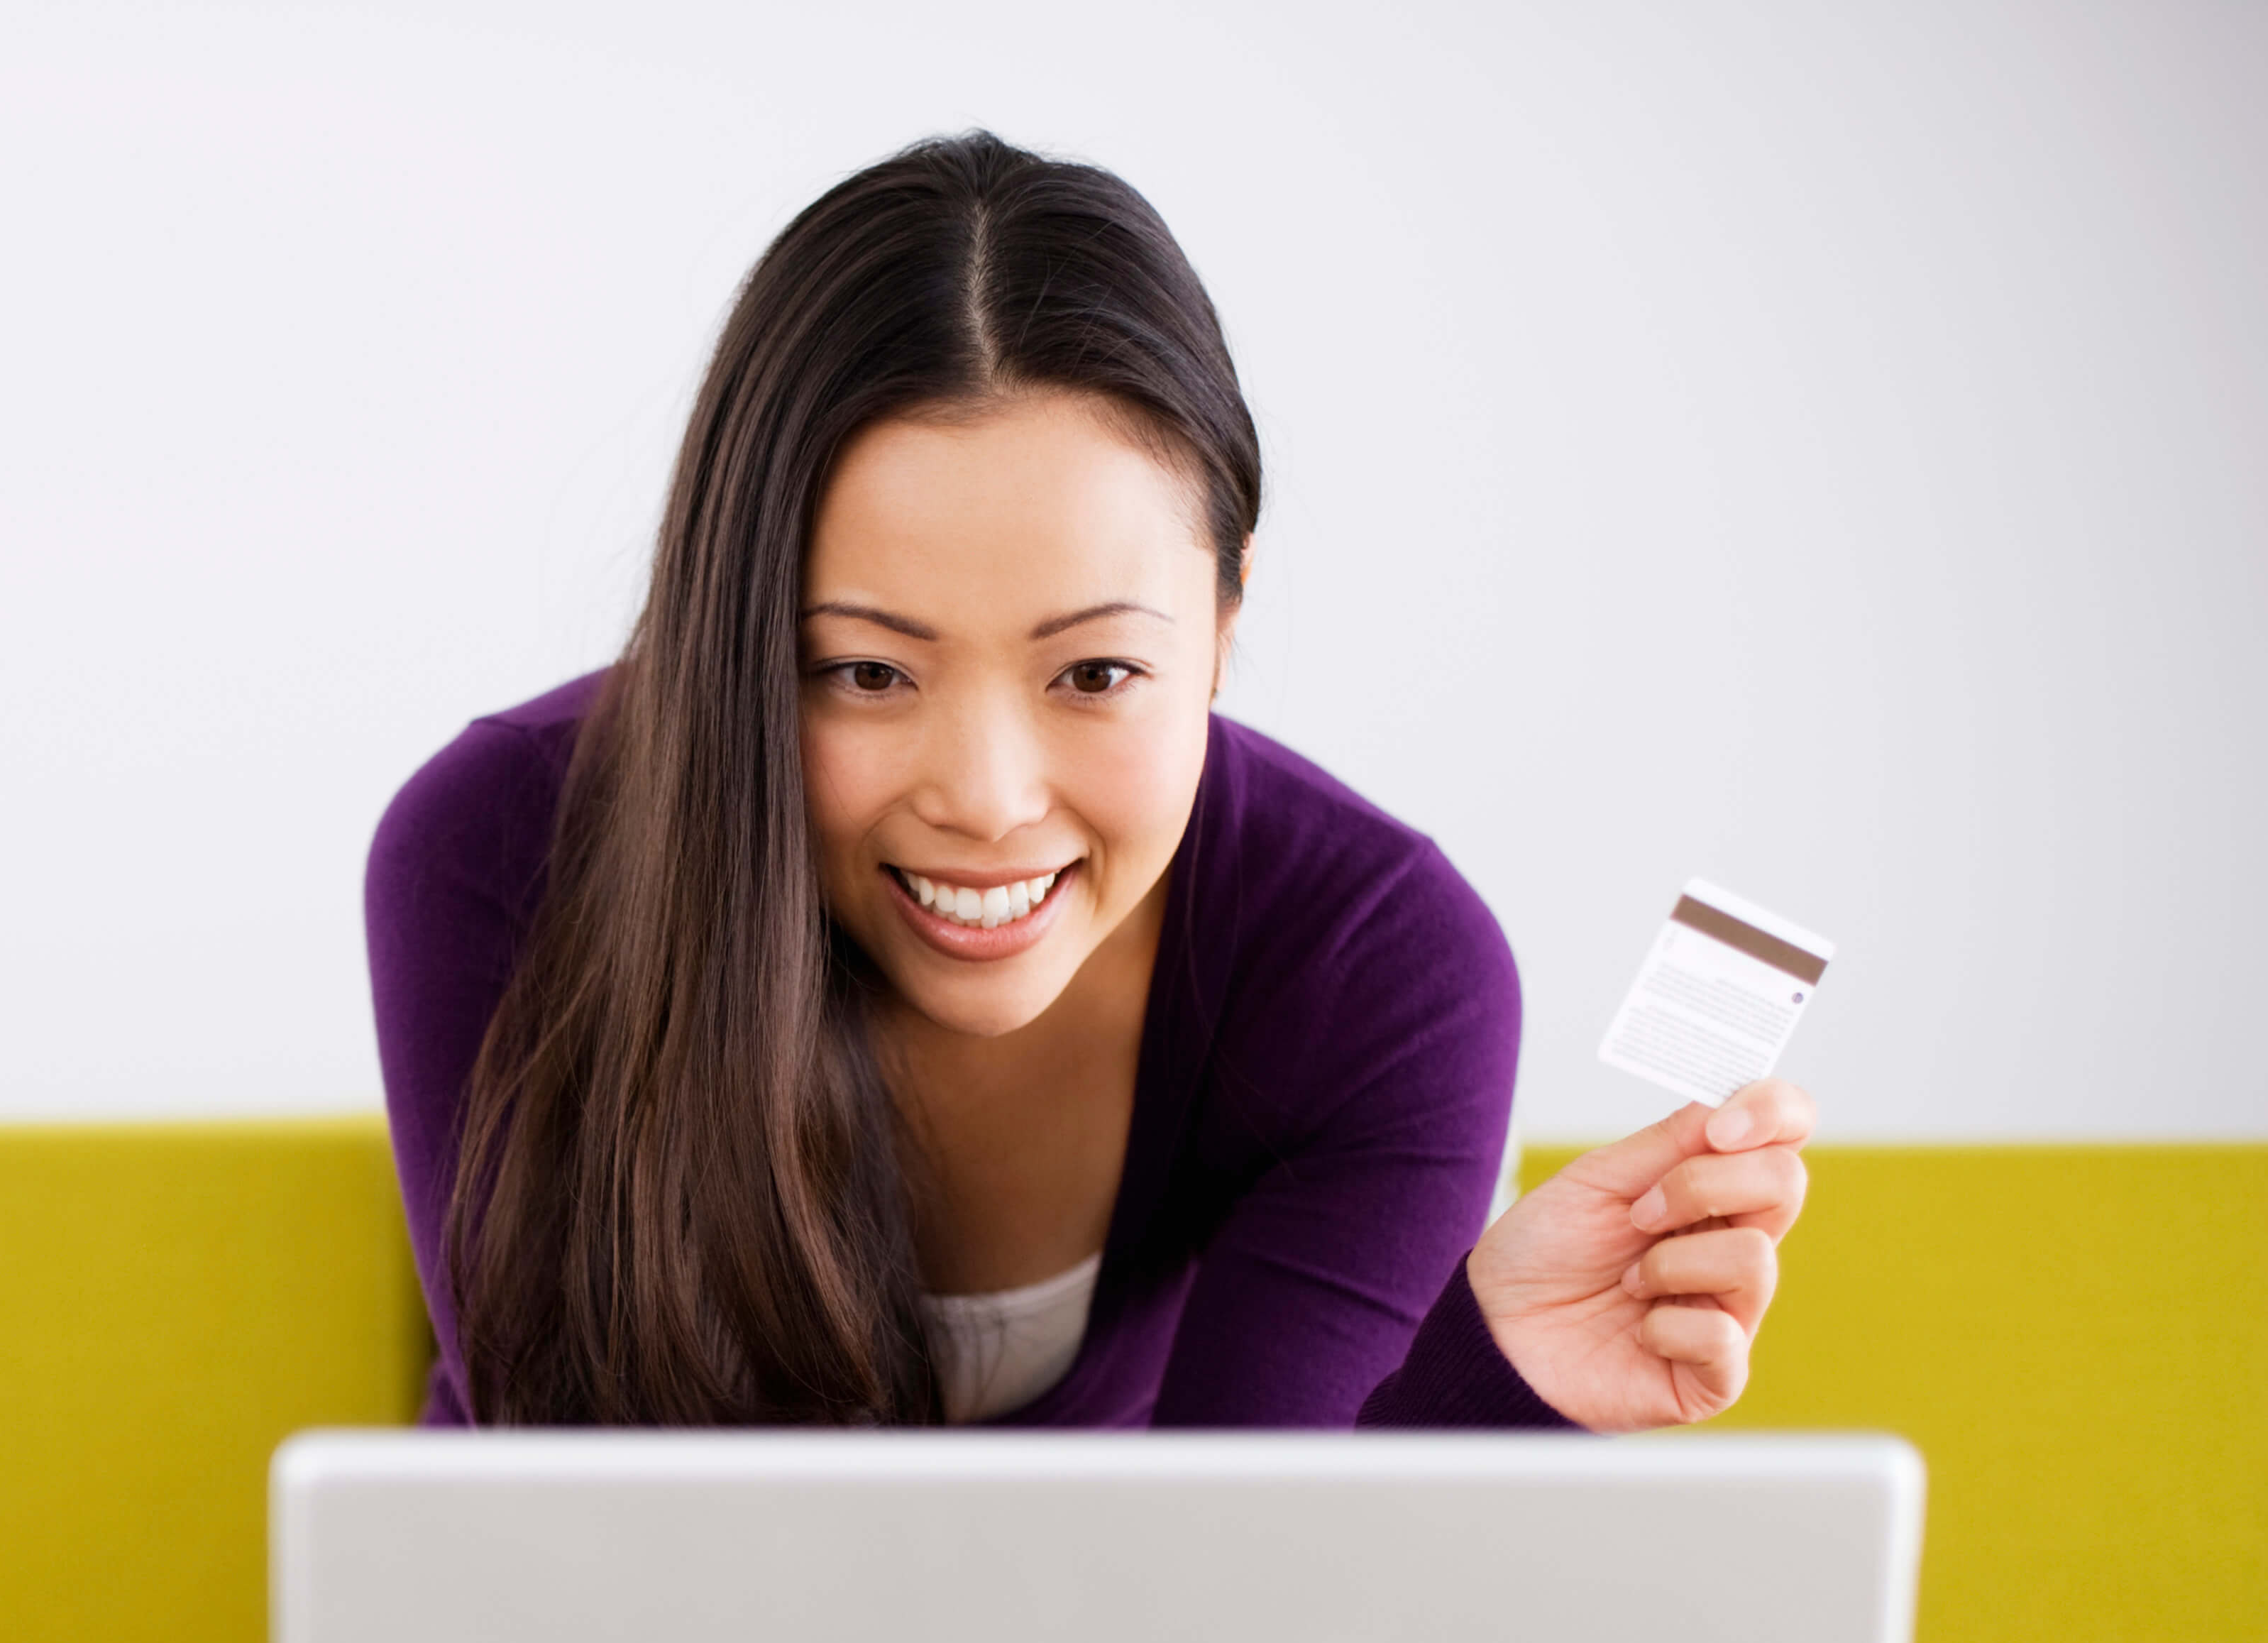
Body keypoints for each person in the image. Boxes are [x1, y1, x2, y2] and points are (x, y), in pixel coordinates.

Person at [370, 133, 1810, 1436]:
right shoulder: (495, 851)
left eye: (1094, 674)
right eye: (865, 672)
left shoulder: (1379, 967)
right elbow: (596, 1575)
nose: (988, 798)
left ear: (1224, 623)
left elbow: (1262, 1626)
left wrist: (1494, 1379)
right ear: (725, 628)